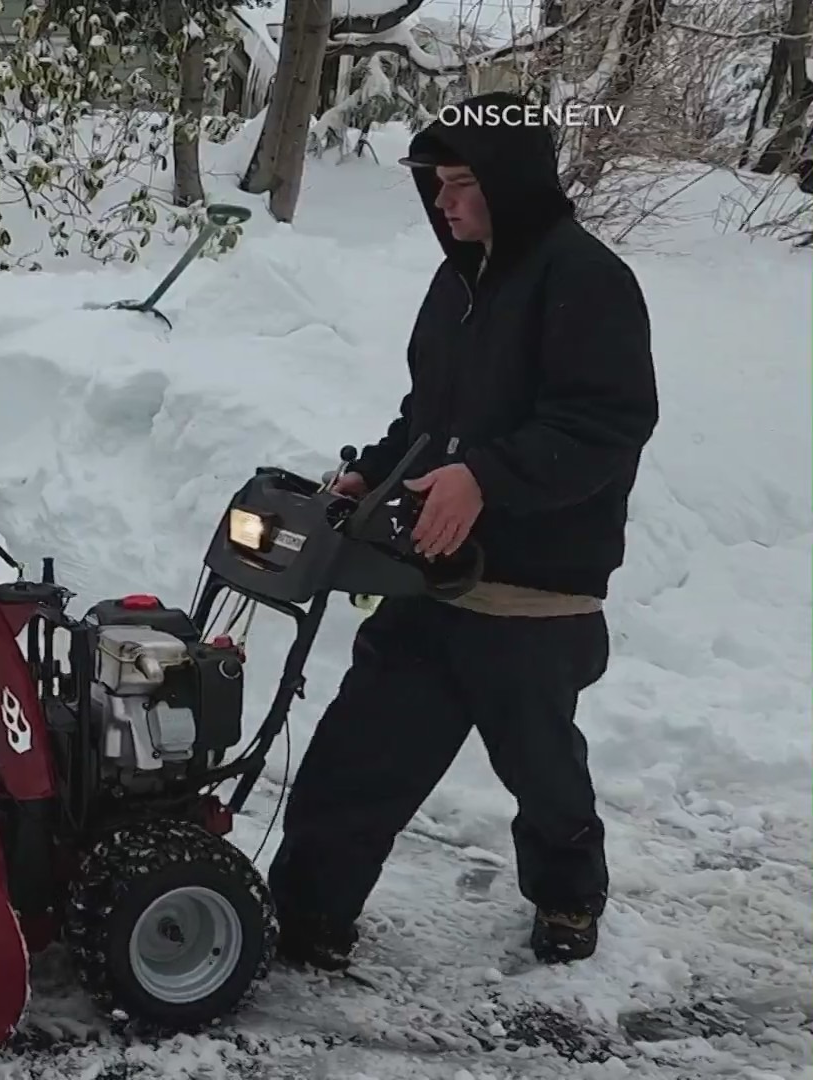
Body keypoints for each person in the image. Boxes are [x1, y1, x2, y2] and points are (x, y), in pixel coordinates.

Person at [265, 91, 660, 971]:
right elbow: (428, 416)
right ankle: (305, 914)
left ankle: (568, 896)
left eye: (461, 183)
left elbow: (605, 424)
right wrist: (375, 468)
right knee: (357, 752)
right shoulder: (457, 283)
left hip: (534, 591)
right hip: (430, 576)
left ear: (513, 182)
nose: (441, 202)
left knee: (541, 770)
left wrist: (488, 477)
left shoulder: (586, 280)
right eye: (436, 184)